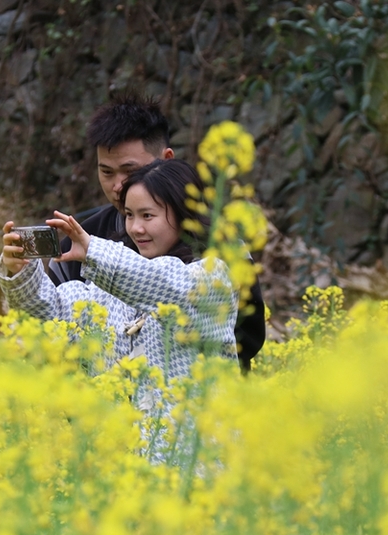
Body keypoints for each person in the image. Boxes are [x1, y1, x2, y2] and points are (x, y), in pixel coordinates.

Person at [47, 93, 266, 371]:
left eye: (130, 170)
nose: (118, 186)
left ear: (166, 160)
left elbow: (247, 337)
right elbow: (53, 326)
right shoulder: (84, 238)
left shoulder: (217, 242)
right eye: (106, 172)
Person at [0, 159, 238, 396]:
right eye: (129, 215)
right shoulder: (109, 287)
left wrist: (94, 251)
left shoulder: (212, 278)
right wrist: (22, 272)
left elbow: (162, 284)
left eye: (147, 216)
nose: (135, 228)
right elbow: (55, 318)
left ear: (184, 215)